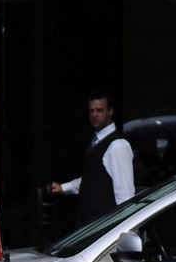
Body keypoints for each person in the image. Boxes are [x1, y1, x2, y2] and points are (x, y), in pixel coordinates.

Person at [50, 89, 135, 225]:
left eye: (100, 110)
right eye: (91, 111)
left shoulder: (117, 146)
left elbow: (125, 196)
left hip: (104, 229)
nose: (94, 115)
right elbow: (93, 178)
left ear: (110, 111)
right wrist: (63, 188)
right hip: (90, 226)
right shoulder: (96, 141)